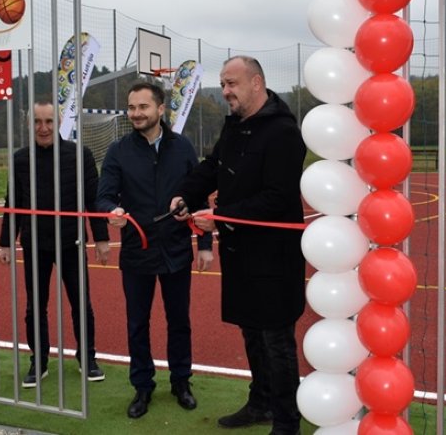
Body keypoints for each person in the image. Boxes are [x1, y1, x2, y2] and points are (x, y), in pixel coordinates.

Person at [173, 56, 307, 435]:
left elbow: (278, 197)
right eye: (223, 83)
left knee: (276, 340)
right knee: (251, 332)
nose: (226, 91)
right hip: (241, 253)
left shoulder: (283, 132)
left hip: (275, 256)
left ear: (256, 82)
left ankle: (286, 423)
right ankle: (260, 403)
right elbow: (213, 166)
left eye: (231, 83)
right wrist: (184, 193)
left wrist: (221, 215)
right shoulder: (234, 127)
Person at [97, 81, 213, 419]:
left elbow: (200, 196)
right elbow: (105, 195)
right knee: (137, 323)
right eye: (131, 107)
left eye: (142, 107)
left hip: (176, 250)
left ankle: (181, 382)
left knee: (179, 322)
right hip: (137, 253)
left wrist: (204, 245)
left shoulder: (183, 147)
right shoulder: (118, 150)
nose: (135, 113)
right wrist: (112, 211)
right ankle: (142, 386)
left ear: (160, 109)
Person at [0, 99, 110, 388]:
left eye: (48, 121)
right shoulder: (21, 158)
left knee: (80, 303)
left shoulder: (78, 155)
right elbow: (14, 203)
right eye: (37, 121)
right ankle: (40, 361)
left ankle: (87, 358)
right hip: (35, 243)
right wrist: (6, 242)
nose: (43, 128)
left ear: (58, 122)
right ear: (29, 123)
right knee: (36, 307)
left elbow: (92, 200)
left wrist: (101, 238)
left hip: (70, 241)